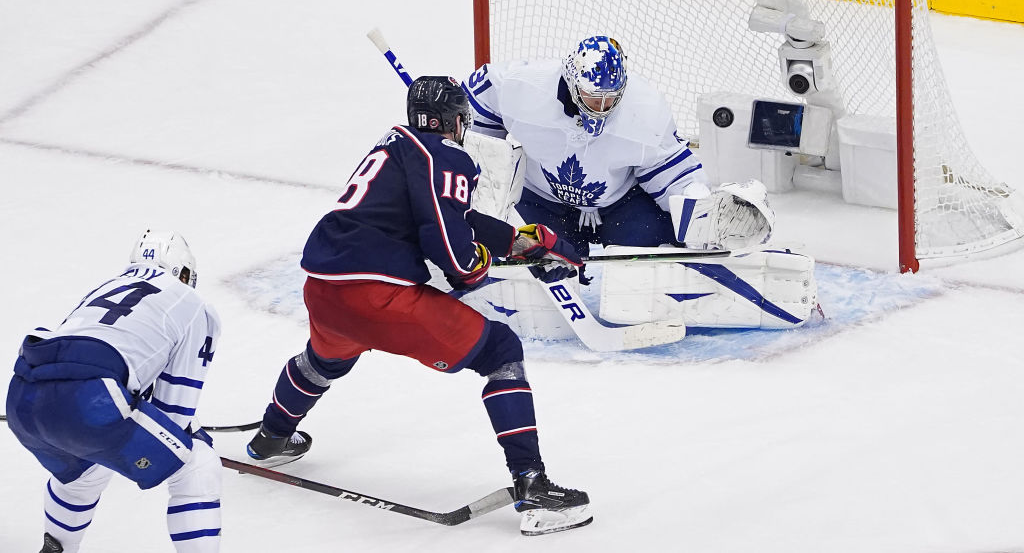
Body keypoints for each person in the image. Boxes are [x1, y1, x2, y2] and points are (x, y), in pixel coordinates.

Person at [245, 75, 592, 536]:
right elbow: (455, 257)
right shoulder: (444, 154)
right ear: (453, 120)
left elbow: (457, 217)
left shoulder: (395, 147)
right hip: (379, 296)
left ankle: (271, 436)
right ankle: (532, 486)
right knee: (502, 351)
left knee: (322, 361)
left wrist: (523, 242)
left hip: (325, 290)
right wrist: (478, 262)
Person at [6, 230, 223, 553]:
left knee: (84, 470)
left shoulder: (105, 286)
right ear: (184, 270)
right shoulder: (192, 303)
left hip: (24, 398)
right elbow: (173, 417)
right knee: (198, 465)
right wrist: (191, 438)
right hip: (91, 399)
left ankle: (56, 548)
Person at [463, 35, 770, 259]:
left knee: (647, 251)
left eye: (612, 98)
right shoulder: (525, 87)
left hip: (618, 205)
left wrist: (699, 216)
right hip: (542, 199)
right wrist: (479, 170)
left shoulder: (645, 109)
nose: (603, 107)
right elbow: (476, 102)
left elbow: (674, 175)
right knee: (542, 255)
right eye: (594, 97)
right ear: (571, 81)